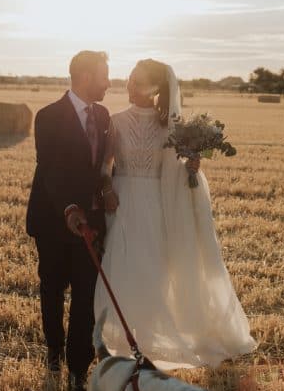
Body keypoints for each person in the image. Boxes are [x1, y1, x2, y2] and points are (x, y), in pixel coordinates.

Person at [90, 58, 257, 369]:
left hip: (154, 205)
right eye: (129, 79)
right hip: (122, 203)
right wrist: (107, 189)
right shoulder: (115, 121)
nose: (129, 86)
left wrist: (194, 166)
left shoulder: (170, 126)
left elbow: (177, 170)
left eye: (136, 81)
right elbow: (105, 165)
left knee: (153, 271)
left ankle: (147, 339)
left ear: (155, 89)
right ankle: (123, 342)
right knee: (122, 267)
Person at [25, 50, 112, 391]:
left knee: (86, 294)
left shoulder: (104, 115)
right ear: (86, 77)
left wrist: (105, 188)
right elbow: (51, 169)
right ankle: (54, 349)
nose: (109, 82)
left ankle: (78, 368)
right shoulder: (48, 116)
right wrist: (69, 207)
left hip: (91, 220)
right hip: (53, 219)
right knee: (52, 287)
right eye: (104, 75)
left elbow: (104, 164)